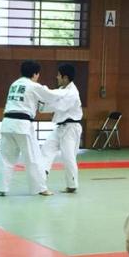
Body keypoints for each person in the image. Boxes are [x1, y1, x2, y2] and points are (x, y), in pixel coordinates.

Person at [0, 61, 59, 197]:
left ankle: (2, 188)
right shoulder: (33, 85)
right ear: (35, 74)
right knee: (33, 157)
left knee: (6, 158)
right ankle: (41, 188)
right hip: (22, 125)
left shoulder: (14, 84)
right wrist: (64, 92)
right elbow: (50, 96)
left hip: (7, 124)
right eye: (38, 74)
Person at [41, 63, 83, 193]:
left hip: (71, 128)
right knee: (46, 149)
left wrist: (43, 94)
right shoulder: (62, 90)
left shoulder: (72, 93)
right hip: (60, 127)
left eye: (59, 75)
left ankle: (72, 185)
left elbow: (59, 106)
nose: (57, 77)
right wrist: (42, 102)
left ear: (65, 77)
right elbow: (54, 97)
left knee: (68, 157)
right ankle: (41, 180)